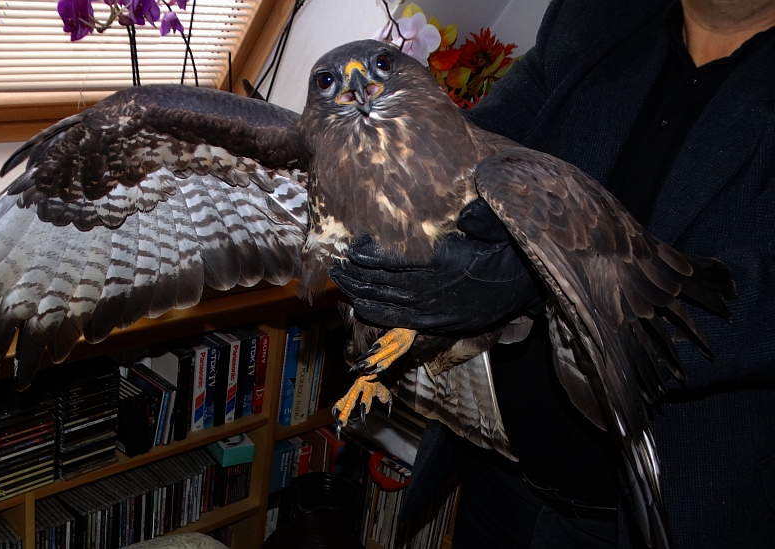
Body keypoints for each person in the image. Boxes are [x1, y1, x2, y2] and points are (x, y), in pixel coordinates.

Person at [329, 0, 775, 547]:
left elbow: (761, 304)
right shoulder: (590, 21)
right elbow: (453, 154)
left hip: (660, 515)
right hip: (500, 480)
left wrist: (551, 285)